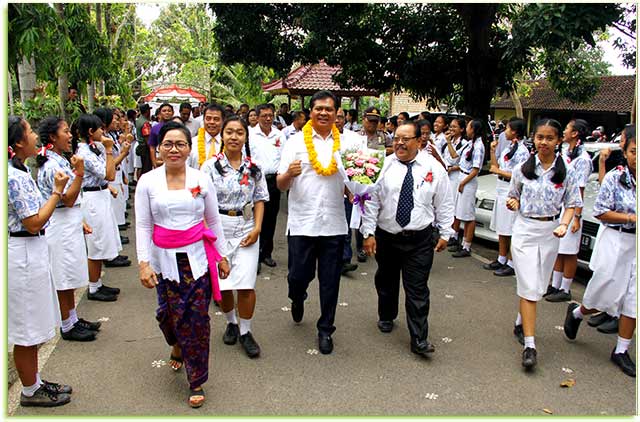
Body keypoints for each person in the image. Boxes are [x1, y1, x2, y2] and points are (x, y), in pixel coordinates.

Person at [135, 121, 231, 408]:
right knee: (166, 316)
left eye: (180, 144)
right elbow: (142, 224)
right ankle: (176, 345)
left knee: (196, 321)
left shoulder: (201, 179)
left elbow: (213, 220)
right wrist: (142, 263)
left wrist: (222, 255)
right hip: (162, 262)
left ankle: (196, 378)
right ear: (159, 149)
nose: (174, 149)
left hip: (196, 260)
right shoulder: (147, 181)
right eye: (168, 144)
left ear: (190, 149)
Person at [361, 121, 454, 356]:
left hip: (420, 239)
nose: (399, 143)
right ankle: (386, 315)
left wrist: (445, 232)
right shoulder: (383, 166)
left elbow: (443, 202)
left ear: (419, 141)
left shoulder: (434, 168)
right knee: (386, 280)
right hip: (387, 236)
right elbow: (371, 201)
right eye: (396, 138)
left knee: (417, 289)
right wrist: (368, 233)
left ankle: (419, 339)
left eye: (405, 139)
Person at [506, 118, 581, 370]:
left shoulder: (567, 170)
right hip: (525, 231)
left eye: (550, 138)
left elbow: (572, 203)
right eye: (540, 137)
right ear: (533, 139)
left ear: (558, 140)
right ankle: (530, 345)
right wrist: (513, 203)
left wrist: (564, 223)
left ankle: (520, 322)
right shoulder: (522, 168)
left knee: (537, 286)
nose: (544, 142)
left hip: (551, 233)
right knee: (528, 286)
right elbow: (513, 195)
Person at [8, 116, 73, 407]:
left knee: (32, 323)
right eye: (30, 132)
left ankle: (33, 381)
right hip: (22, 249)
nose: (35, 136)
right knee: (25, 327)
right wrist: (58, 191)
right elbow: (33, 222)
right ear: (18, 142)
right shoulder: (14, 177)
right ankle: (30, 390)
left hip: (28, 250)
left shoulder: (19, 171)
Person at [276, 90, 347, 355]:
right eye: (319, 109)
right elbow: (281, 185)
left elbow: (357, 182)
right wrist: (288, 175)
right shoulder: (294, 142)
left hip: (334, 224)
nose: (324, 113)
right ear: (311, 112)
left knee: (330, 282)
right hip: (302, 223)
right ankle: (297, 296)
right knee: (297, 276)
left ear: (336, 113)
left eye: (329, 109)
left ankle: (326, 329)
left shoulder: (348, 144)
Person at [563, 134, 636, 377]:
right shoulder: (616, 178)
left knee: (633, 299)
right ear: (625, 152)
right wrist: (630, 218)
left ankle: (621, 350)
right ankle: (577, 313)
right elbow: (601, 212)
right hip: (616, 238)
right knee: (606, 289)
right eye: (634, 151)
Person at [201, 116, 269, 358]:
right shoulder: (209, 167)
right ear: (222, 135)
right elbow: (201, 202)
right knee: (224, 282)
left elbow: (260, 198)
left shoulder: (254, 167)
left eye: (239, 132)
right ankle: (231, 322)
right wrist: (209, 234)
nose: (234, 137)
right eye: (229, 132)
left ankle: (246, 331)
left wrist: (257, 228)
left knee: (246, 284)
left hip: (247, 227)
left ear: (245, 137)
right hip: (218, 228)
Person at [36, 117, 100, 342]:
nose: (70, 135)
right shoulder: (52, 165)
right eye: (65, 131)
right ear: (53, 137)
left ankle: (73, 318)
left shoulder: (59, 160)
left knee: (70, 274)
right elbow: (69, 199)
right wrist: (80, 173)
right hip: (59, 225)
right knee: (63, 276)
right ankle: (66, 324)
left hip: (67, 223)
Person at [75, 114, 126, 301]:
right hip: (93, 199)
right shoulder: (85, 153)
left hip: (100, 194)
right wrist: (109, 149)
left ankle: (97, 283)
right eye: (100, 129)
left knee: (103, 240)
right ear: (90, 132)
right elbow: (109, 174)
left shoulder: (92, 149)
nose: (103, 132)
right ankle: (94, 287)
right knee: (96, 244)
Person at [546, 119, 593, 301]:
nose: (564, 131)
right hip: (561, 206)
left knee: (570, 252)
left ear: (575, 134)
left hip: (572, 209)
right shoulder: (565, 153)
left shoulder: (583, 159)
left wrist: (577, 217)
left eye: (566, 128)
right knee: (559, 248)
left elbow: (579, 190)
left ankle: (565, 289)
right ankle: (555, 284)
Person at [484, 118, 530, 276]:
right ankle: (501, 258)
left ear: (515, 132)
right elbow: (495, 166)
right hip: (501, 187)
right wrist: (492, 151)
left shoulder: (522, 151)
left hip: (511, 189)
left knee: (511, 228)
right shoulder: (509, 147)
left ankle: (511, 262)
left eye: (508, 129)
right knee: (502, 227)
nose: (505, 132)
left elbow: (520, 175)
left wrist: (500, 172)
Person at [250, 104, 285, 269]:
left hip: (273, 181)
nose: (268, 118)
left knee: (271, 218)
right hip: (255, 180)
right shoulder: (250, 135)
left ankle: (266, 253)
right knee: (255, 218)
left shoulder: (279, 135)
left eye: (270, 115)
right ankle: (254, 256)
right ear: (257, 117)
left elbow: (284, 157)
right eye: (264, 115)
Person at [336, 107, 366, 274]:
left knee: (346, 225)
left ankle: (344, 260)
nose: (337, 120)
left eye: (341, 117)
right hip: (329, 190)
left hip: (348, 189)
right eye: (336, 116)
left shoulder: (353, 138)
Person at [450, 119, 485, 258]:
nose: (467, 129)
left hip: (468, 181)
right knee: (460, 212)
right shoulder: (470, 144)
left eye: (469, 127)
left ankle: (467, 245)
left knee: (468, 216)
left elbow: (476, 169)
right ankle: (459, 241)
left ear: (474, 129)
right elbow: (458, 158)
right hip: (462, 177)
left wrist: (463, 182)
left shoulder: (479, 146)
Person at [188, 103, 225, 169]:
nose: (212, 122)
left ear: (223, 121)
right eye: (208, 119)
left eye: (216, 119)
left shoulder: (229, 144)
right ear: (203, 120)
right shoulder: (191, 143)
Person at [148, 103, 174, 168]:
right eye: (164, 111)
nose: (167, 112)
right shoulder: (155, 128)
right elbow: (152, 147)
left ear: (173, 113)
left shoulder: (177, 126)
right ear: (160, 113)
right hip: (160, 157)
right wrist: (154, 163)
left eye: (169, 111)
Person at [135, 103, 153, 176]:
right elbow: (147, 138)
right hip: (145, 148)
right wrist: (152, 150)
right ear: (147, 111)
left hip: (141, 146)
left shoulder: (139, 120)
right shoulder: (145, 123)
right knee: (146, 168)